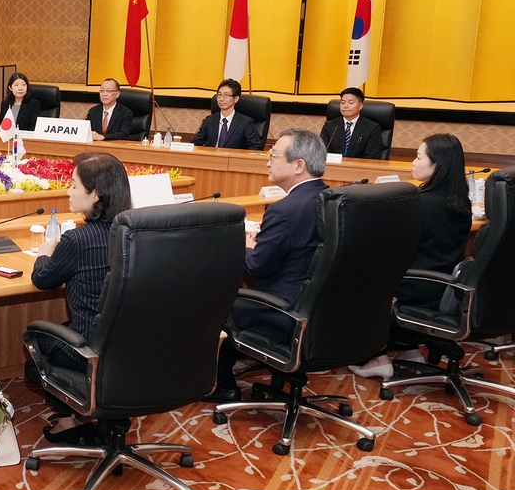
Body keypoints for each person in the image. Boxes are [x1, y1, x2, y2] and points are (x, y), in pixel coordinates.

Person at [205, 129, 328, 402]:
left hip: (283, 309)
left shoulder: (285, 210)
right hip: (322, 310)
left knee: (211, 298)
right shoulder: (331, 199)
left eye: (273, 156)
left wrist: (245, 246)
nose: (267, 162)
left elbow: (256, 267)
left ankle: (223, 385)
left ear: (299, 165)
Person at [349, 133, 473, 380]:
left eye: (418, 157)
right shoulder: (461, 203)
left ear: (436, 165)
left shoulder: (418, 203)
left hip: (413, 287)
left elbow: (390, 249)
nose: (413, 163)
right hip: (443, 287)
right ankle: (409, 349)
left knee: (357, 274)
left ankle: (379, 357)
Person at [29, 153, 132, 443]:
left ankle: (68, 422)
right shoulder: (134, 234)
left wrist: (43, 255)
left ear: (95, 194)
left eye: (73, 185)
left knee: (34, 345)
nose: (67, 191)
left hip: (90, 347)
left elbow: (42, 280)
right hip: (132, 347)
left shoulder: (78, 239)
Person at [192, 78, 264, 150]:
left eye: (226, 95)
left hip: (234, 159)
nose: (221, 99)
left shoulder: (245, 123)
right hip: (212, 159)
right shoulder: (209, 120)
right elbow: (195, 143)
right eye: (219, 95)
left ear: (236, 99)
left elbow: (256, 148)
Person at [320, 87, 385, 159]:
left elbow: (371, 157)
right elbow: (322, 152)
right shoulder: (330, 126)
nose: (345, 106)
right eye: (342, 102)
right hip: (334, 167)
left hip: (359, 168)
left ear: (360, 106)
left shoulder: (372, 128)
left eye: (351, 102)